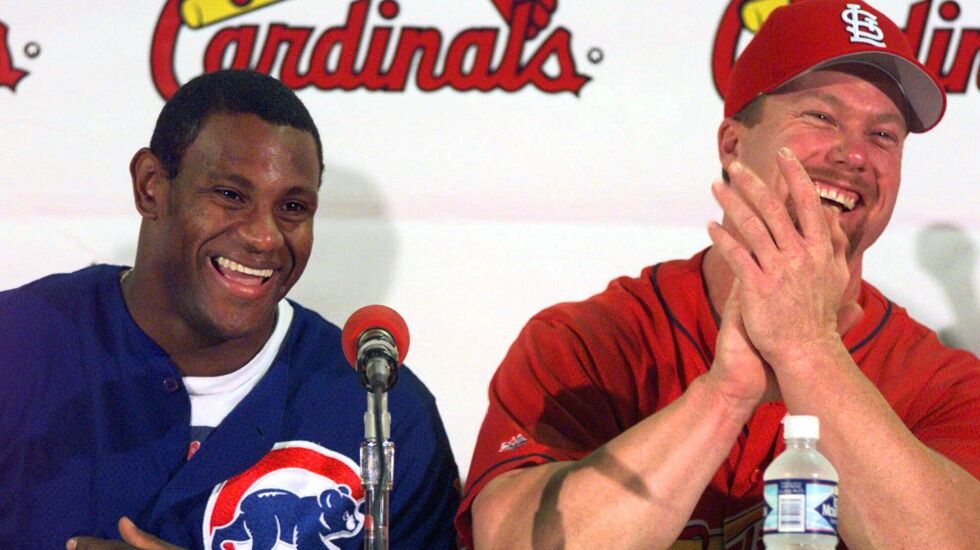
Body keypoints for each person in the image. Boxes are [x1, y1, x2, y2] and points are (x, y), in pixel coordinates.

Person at [457, 1, 980, 548]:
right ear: (732, 146)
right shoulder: (589, 344)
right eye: (821, 117)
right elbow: (514, 542)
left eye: (883, 136)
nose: (854, 155)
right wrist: (725, 396)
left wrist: (806, 350)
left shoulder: (939, 382)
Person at [0, 70, 461, 549]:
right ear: (151, 186)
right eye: (230, 196)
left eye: (293, 207)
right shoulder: (15, 343)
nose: (264, 237)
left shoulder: (382, 410)